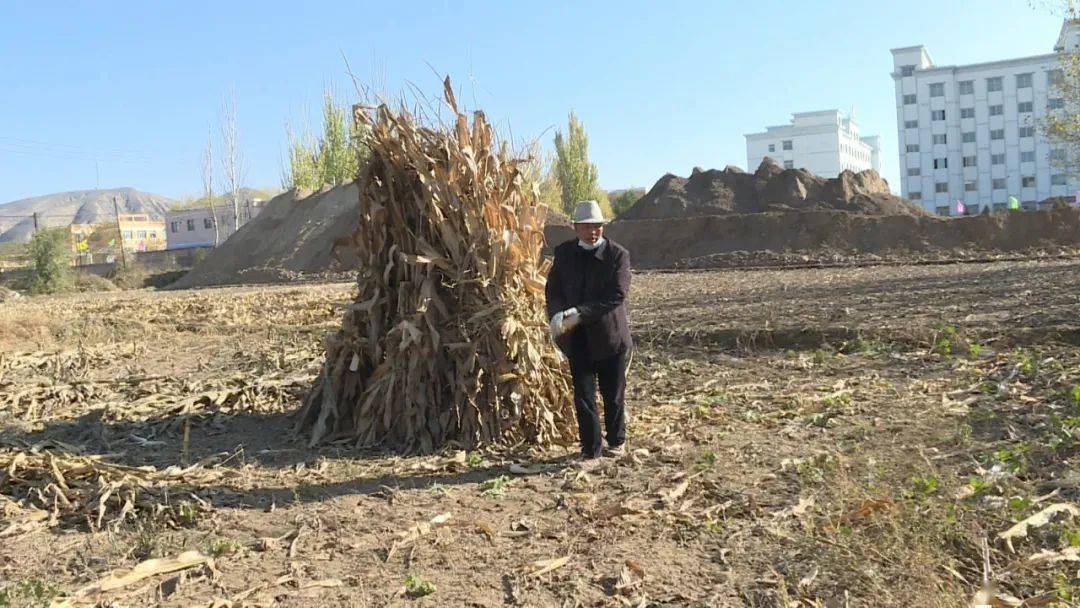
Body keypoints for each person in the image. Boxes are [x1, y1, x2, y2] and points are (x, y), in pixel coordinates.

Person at [545, 200, 632, 462]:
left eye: (597, 226)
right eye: (587, 227)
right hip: (578, 340)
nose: (593, 231)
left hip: (610, 337)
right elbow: (553, 289)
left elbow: (617, 294)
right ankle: (590, 449)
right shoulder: (564, 253)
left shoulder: (618, 255)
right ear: (575, 227)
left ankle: (616, 442)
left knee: (613, 395)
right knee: (583, 397)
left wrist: (580, 313)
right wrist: (558, 314)